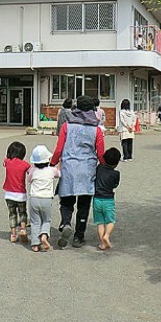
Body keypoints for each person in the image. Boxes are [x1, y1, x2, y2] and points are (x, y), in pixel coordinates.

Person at [51, 95, 105, 249]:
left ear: (76, 109)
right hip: (87, 170)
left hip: (69, 168)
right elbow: (101, 154)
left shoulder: (67, 127)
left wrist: (52, 163)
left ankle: (66, 222)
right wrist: (105, 167)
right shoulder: (96, 130)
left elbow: (59, 149)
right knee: (84, 205)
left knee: (66, 201)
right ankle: (78, 236)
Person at [26, 144, 60, 253]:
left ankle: (35, 244)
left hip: (34, 198)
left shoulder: (32, 170)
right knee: (46, 220)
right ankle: (44, 235)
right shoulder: (51, 170)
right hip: (46, 199)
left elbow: (29, 180)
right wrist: (60, 163)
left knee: (35, 222)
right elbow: (59, 174)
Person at [3, 141, 30, 243]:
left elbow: (4, 161)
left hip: (9, 194)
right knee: (22, 213)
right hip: (20, 193)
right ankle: (23, 229)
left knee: (12, 214)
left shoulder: (8, 162)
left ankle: (13, 234)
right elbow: (31, 172)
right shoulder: (25, 164)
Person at [94, 147, 121, 250]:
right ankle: (107, 236)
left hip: (97, 199)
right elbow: (115, 185)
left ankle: (102, 243)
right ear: (117, 162)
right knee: (110, 220)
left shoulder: (99, 168)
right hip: (108, 199)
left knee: (100, 222)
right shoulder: (116, 174)